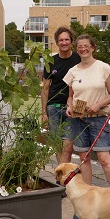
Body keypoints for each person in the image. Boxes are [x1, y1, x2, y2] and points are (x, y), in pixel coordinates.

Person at [63, 34, 110, 219]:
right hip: (79, 120)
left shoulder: (103, 68)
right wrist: (69, 107)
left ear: (93, 47)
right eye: (79, 46)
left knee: (104, 159)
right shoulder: (72, 71)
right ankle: (86, 203)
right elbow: (70, 97)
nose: (83, 49)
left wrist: (97, 106)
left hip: (98, 118)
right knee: (84, 159)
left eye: (86, 46)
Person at [41, 26, 81, 164]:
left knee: (68, 146)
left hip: (71, 108)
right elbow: (45, 88)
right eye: (61, 40)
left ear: (71, 42)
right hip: (53, 107)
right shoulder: (50, 61)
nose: (64, 42)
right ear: (57, 42)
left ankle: (65, 174)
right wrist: (43, 112)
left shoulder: (79, 58)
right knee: (57, 145)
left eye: (66, 39)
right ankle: (62, 176)